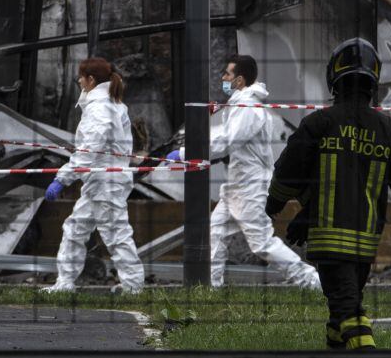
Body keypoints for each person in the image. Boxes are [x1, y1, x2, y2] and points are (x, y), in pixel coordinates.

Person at [265, 38, 391, 350]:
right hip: (365, 241)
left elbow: (289, 170)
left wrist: (275, 202)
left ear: (334, 78)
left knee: (349, 310)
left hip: (328, 238)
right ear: (373, 81)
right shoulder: (388, 130)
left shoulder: (319, 123)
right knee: (341, 306)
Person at [167, 55, 321, 290]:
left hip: (250, 188)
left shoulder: (248, 107)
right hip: (237, 186)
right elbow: (227, 135)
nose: (223, 78)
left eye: (227, 74)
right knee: (214, 233)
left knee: (262, 244)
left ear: (239, 80)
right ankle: (211, 288)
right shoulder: (241, 104)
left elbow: (228, 140)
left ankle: (313, 282)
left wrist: (187, 152)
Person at [41, 57, 144, 294]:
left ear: (91, 80)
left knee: (116, 235)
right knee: (74, 229)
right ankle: (65, 283)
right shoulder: (109, 104)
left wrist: (62, 179)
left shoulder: (100, 109)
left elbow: (89, 151)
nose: (78, 81)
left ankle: (134, 287)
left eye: (81, 76)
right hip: (100, 182)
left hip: (105, 183)